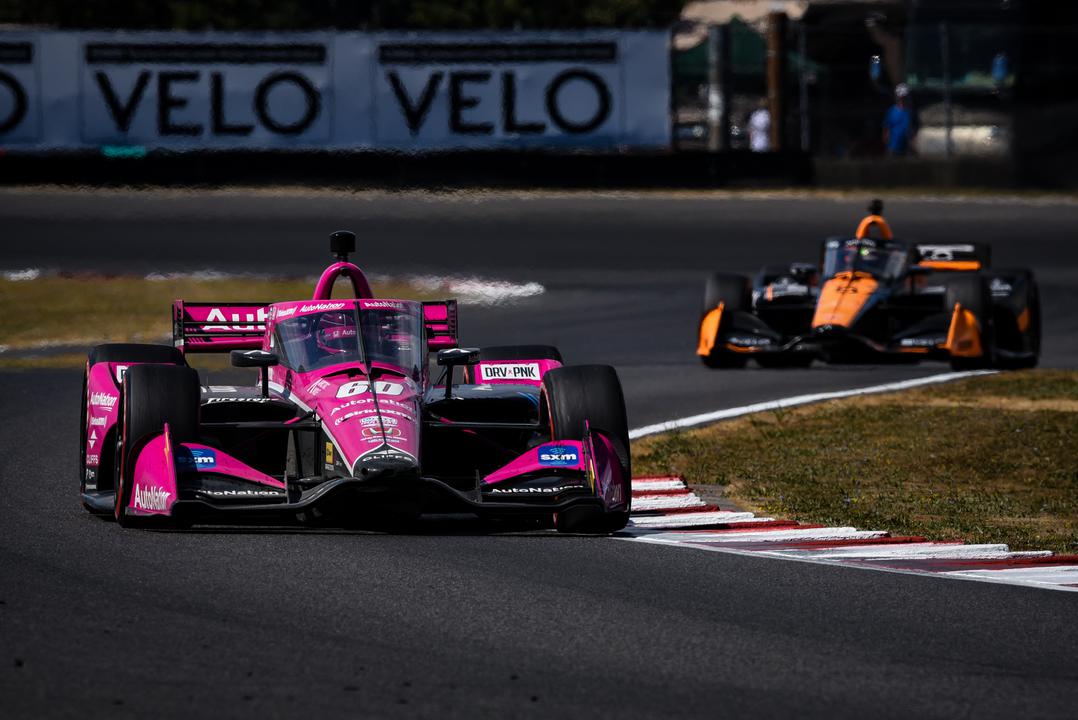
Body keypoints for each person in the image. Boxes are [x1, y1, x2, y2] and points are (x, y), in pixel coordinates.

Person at [882, 83, 915, 156]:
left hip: (906, 149)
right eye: (901, 97)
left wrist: (912, 145)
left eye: (904, 97)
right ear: (897, 97)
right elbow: (886, 129)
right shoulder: (891, 111)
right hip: (892, 149)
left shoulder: (910, 112)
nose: (902, 99)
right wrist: (887, 147)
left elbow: (912, 130)